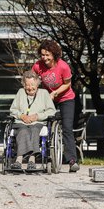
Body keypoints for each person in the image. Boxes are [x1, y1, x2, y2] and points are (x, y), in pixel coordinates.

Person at [31, 39, 79, 173]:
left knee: (67, 128)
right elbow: (33, 81)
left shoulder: (63, 66)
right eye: (42, 55)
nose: (44, 58)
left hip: (65, 97)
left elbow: (67, 84)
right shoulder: (37, 66)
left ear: (54, 54)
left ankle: (72, 160)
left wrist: (55, 92)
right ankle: (44, 154)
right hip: (48, 97)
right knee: (42, 123)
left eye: (47, 55)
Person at [9, 70, 56, 171]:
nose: (30, 87)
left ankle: (32, 160)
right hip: (21, 122)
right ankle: (19, 160)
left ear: (37, 84)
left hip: (37, 123)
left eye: (32, 84)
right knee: (23, 131)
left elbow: (51, 111)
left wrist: (37, 116)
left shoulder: (44, 93)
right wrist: (21, 116)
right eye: (27, 85)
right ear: (24, 85)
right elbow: (13, 109)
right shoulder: (20, 93)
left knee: (34, 130)